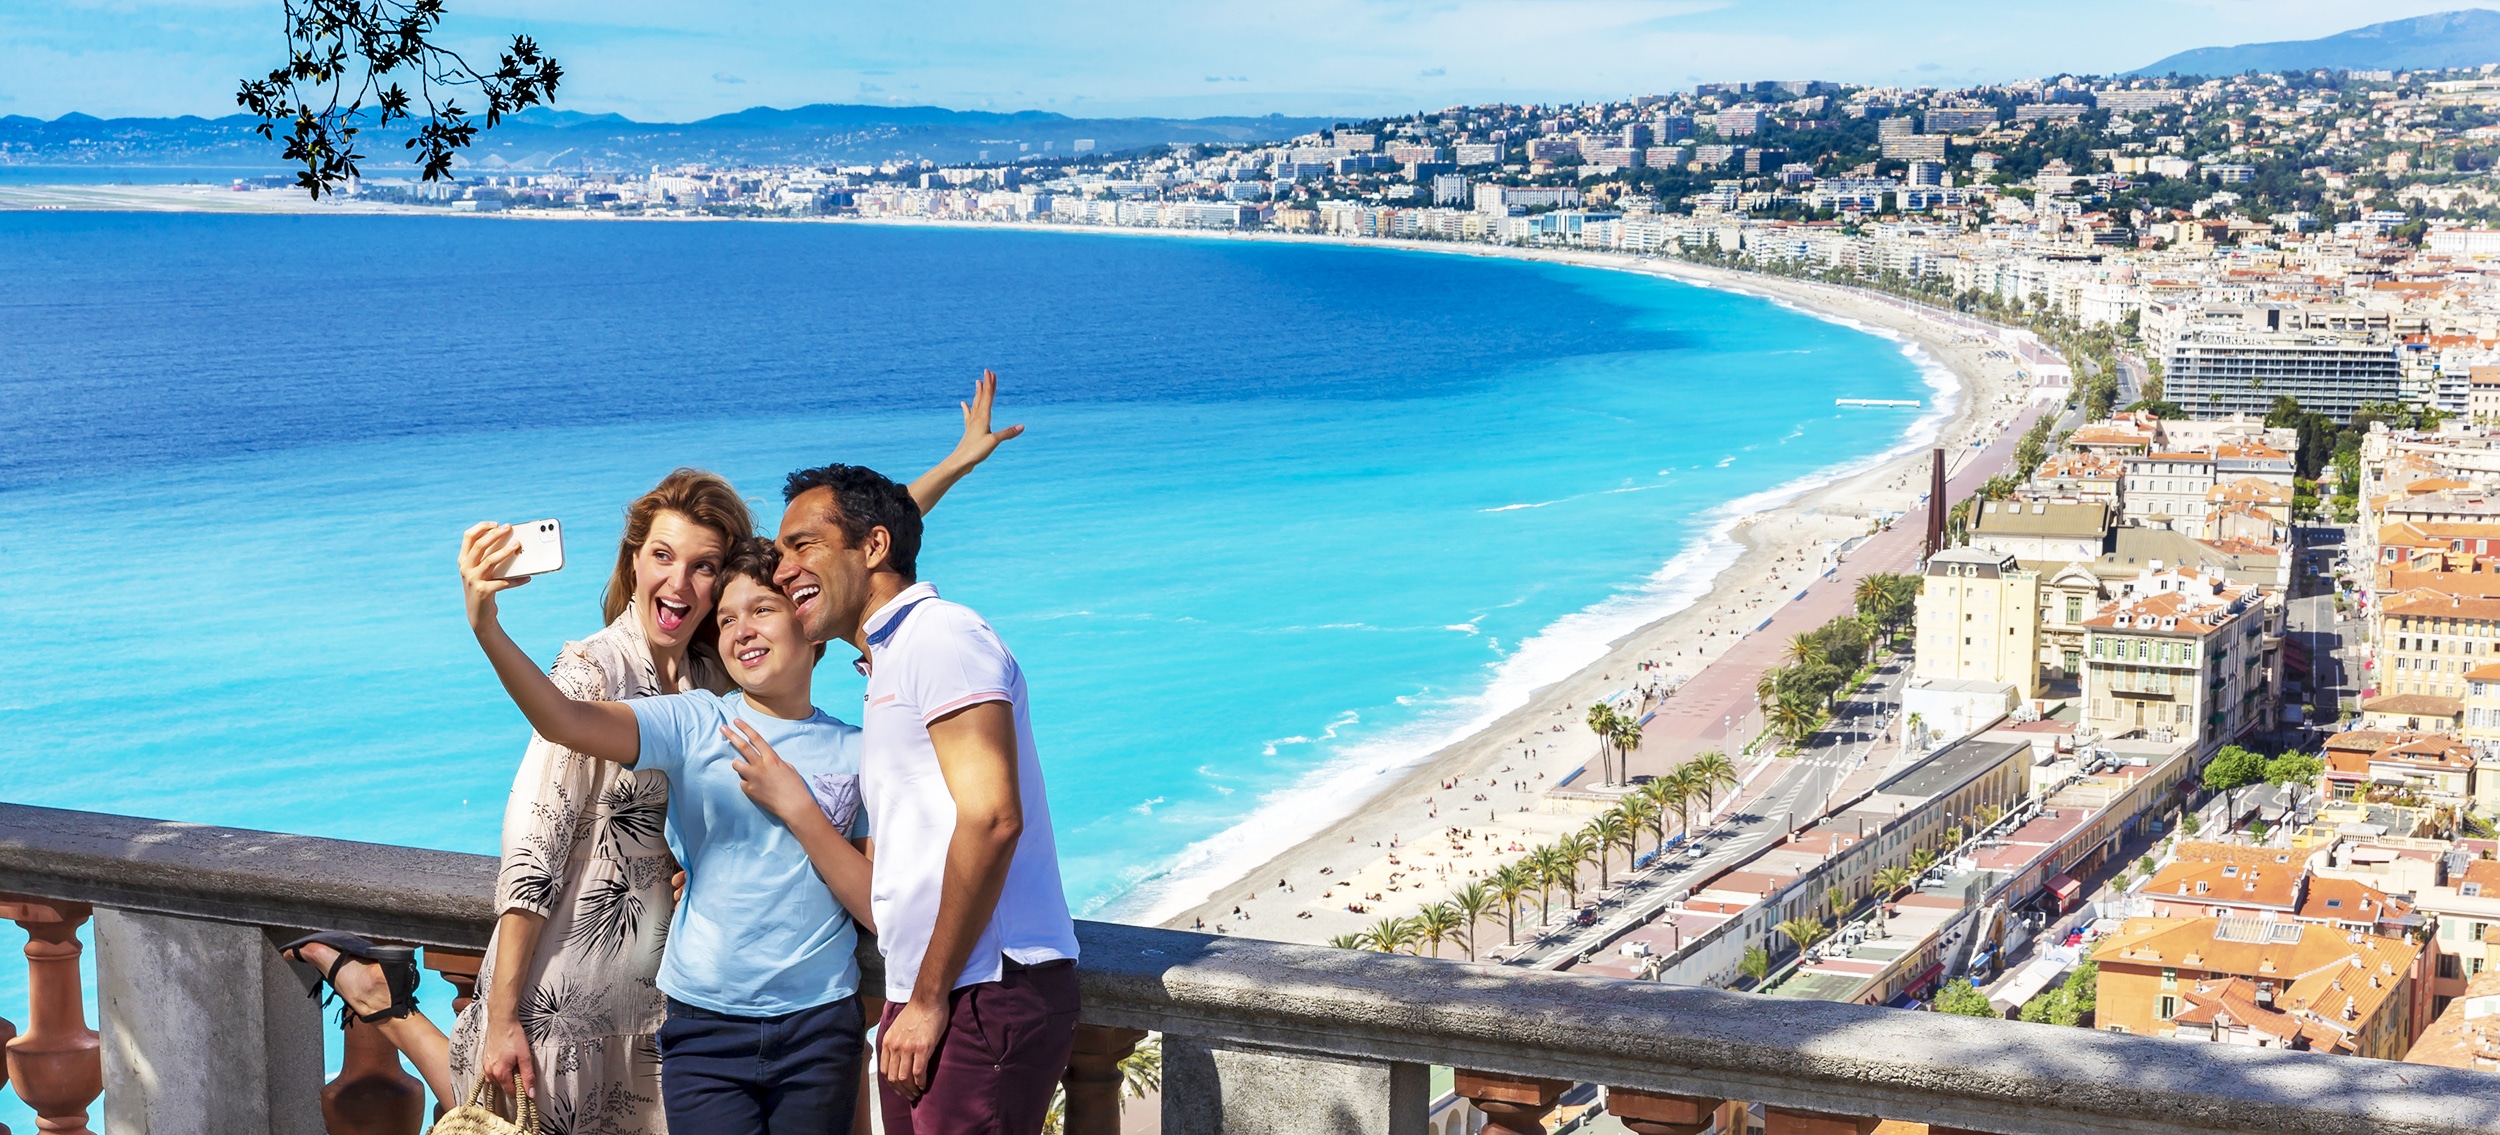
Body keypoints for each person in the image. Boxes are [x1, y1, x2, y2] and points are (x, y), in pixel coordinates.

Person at [287, 377, 1022, 1133]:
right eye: (663, 556)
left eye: (705, 566)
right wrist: (503, 1011)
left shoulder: (714, 669)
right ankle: (387, 1000)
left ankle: (387, 999)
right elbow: (533, 850)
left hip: (668, 987)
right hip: (578, 977)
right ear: (634, 561)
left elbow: (835, 562)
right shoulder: (606, 675)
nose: (683, 580)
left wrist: (953, 466)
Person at [461, 530, 879, 1133]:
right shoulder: (696, 720)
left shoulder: (860, 750)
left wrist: (799, 807)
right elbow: (564, 718)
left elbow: (873, 904)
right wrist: (487, 628)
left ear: (810, 624)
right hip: (704, 1026)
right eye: (727, 618)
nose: (740, 630)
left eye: (762, 609)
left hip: (820, 1022)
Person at [771, 463, 1080, 1135]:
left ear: (874, 547)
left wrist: (931, 994)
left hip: (982, 992)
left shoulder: (940, 636)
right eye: (779, 553)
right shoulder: (890, 660)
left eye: (802, 545)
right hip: (934, 995)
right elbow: (901, 869)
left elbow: (994, 817)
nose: (782, 568)